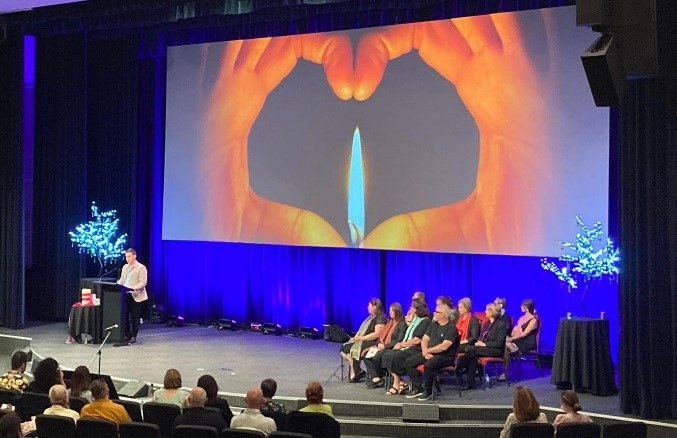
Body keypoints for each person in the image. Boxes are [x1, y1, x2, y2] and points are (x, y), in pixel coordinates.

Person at [404, 302, 460, 401]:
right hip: (429, 353)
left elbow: (444, 347)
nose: (433, 313)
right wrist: (425, 351)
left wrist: (427, 350)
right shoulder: (433, 324)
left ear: (442, 315)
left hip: (445, 356)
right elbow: (424, 339)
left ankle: (428, 391)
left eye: (436, 312)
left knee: (429, 365)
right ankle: (418, 388)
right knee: (409, 362)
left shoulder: (451, 329)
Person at [455, 303, 509, 390]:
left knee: (471, 349)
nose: (485, 312)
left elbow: (499, 343)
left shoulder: (502, 324)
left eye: (487, 310)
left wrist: (484, 344)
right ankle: (470, 382)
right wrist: (479, 342)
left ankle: (459, 367)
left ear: (492, 312)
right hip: (483, 348)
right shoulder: (486, 324)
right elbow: (481, 338)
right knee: (472, 354)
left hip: (495, 350)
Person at [386, 300, 432, 395]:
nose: (410, 309)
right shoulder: (415, 320)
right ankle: (400, 382)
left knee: (396, 356)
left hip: (418, 348)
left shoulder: (425, 321)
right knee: (388, 355)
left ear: (417, 309)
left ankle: (397, 383)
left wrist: (402, 345)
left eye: (412, 308)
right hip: (410, 346)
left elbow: (417, 340)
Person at [340, 298, 386, 383]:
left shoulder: (381, 318)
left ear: (375, 307)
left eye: (369, 306)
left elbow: (377, 334)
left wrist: (361, 338)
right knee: (343, 349)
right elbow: (361, 330)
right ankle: (358, 371)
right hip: (364, 340)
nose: (367, 307)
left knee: (351, 350)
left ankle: (355, 373)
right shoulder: (370, 317)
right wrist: (356, 337)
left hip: (373, 342)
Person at [364, 302, 406, 388]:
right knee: (366, 355)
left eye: (392, 310)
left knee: (377, 358)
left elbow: (398, 340)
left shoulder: (402, 324)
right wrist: (379, 343)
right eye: (390, 310)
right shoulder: (389, 322)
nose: (390, 312)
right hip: (382, 345)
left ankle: (380, 376)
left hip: (390, 347)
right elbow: (381, 335)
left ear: (397, 311)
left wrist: (384, 346)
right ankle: (377, 378)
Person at [499, 298, 539, 381]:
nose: (521, 307)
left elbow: (524, 334)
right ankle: (506, 370)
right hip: (518, 339)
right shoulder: (521, 318)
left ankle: (505, 372)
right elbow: (515, 331)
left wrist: (512, 338)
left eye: (522, 305)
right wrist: (512, 336)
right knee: (504, 344)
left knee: (507, 344)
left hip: (527, 342)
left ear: (526, 307)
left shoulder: (533, 320)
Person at [117, 248, 148, 344]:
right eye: (126, 256)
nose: (127, 258)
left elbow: (143, 282)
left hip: (136, 295)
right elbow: (122, 280)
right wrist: (117, 285)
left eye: (129, 256)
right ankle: (127, 334)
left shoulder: (141, 267)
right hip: (125, 295)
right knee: (124, 315)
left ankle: (134, 336)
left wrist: (134, 288)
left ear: (135, 256)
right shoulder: (125, 267)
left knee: (135, 316)